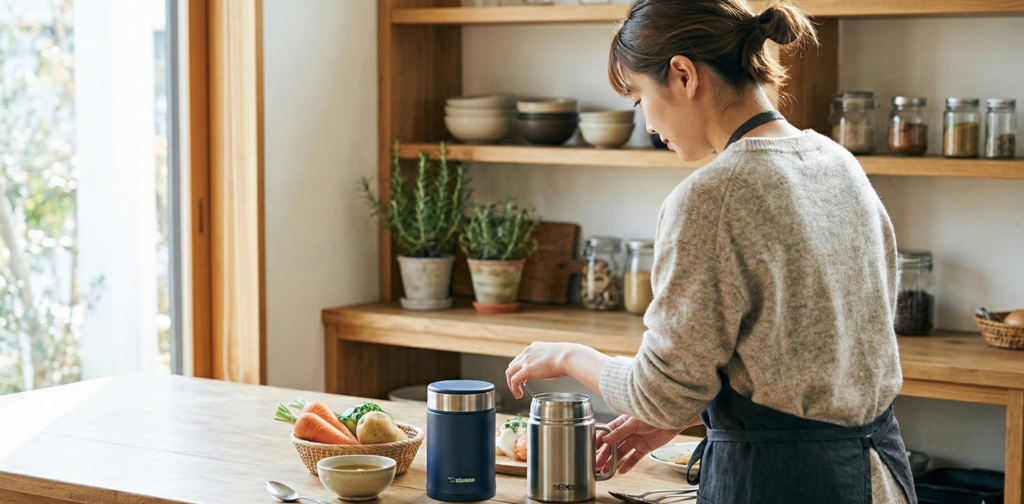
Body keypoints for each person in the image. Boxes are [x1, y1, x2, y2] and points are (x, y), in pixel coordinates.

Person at [504, 1, 917, 502]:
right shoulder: (837, 161)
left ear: (682, 74)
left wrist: (570, 355)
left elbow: (655, 393)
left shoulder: (712, 196)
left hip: (780, 482)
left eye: (639, 98)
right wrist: (692, 413)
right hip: (880, 475)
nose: (650, 125)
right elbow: (806, 354)